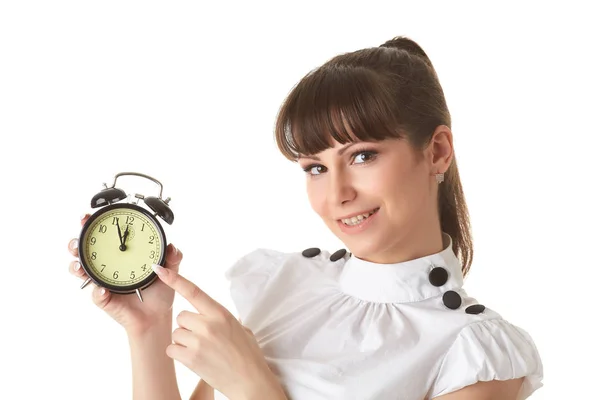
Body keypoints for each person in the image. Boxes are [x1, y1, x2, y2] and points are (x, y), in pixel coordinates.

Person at [68, 35, 543, 399]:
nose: (337, 193)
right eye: (316, 167)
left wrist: (256, 387)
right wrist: (148, 330)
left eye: (362, 156)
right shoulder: (283, 284)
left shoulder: (475, 351)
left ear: (436, 151)